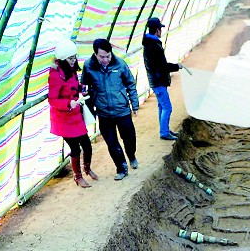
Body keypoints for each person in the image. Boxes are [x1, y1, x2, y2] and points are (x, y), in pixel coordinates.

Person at [81, 38, 139, 180]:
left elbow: (130, 84)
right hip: (104, 112)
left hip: (122, 110)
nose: (106, 59)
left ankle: (131, 155)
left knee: (129, 138)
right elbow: (84, 86)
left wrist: (134, 104)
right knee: (111, 142)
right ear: (95, 54)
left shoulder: (120, 64)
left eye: (108, 56)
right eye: (102, 57)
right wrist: (89, 101)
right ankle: (121, 168)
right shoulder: (88, 66)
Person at [48, 38, 98, 188]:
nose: (74, 60)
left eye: (74, 57)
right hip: (63, 119)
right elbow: (53, 100)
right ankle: (78, 177)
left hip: (75, 115)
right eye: (70, 58)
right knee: (75, 148)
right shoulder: (56, 75)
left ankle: (87, 168)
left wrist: (81, 89)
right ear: (62, 59)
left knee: (87, 145)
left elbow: (73, 86)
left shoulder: (71, 70)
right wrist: (68, 104)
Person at [142, 17, 182, 140]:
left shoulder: (149, 44)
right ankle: (164, 132)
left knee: (162, 106)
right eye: (160, 29)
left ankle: (165, 129)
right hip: (158, 81)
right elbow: (162, 66)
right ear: (157, 30)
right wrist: (176, 66)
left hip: (156, 80)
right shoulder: (154, 46)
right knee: (167, 107)